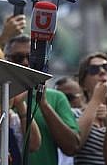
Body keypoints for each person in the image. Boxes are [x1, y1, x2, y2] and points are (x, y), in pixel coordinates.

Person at [4, 34, 80, 165]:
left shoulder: (56, 97)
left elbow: (72, 147)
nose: (25, 62)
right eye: (18, 58)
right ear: (6, 60)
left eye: (31, 58)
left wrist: (43, 104)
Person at [70, 52, 107, 165]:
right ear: (83, 84)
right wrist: (95, 100)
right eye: (94, 69)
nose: (102, 71)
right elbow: (75, 143)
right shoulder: (74, 114)